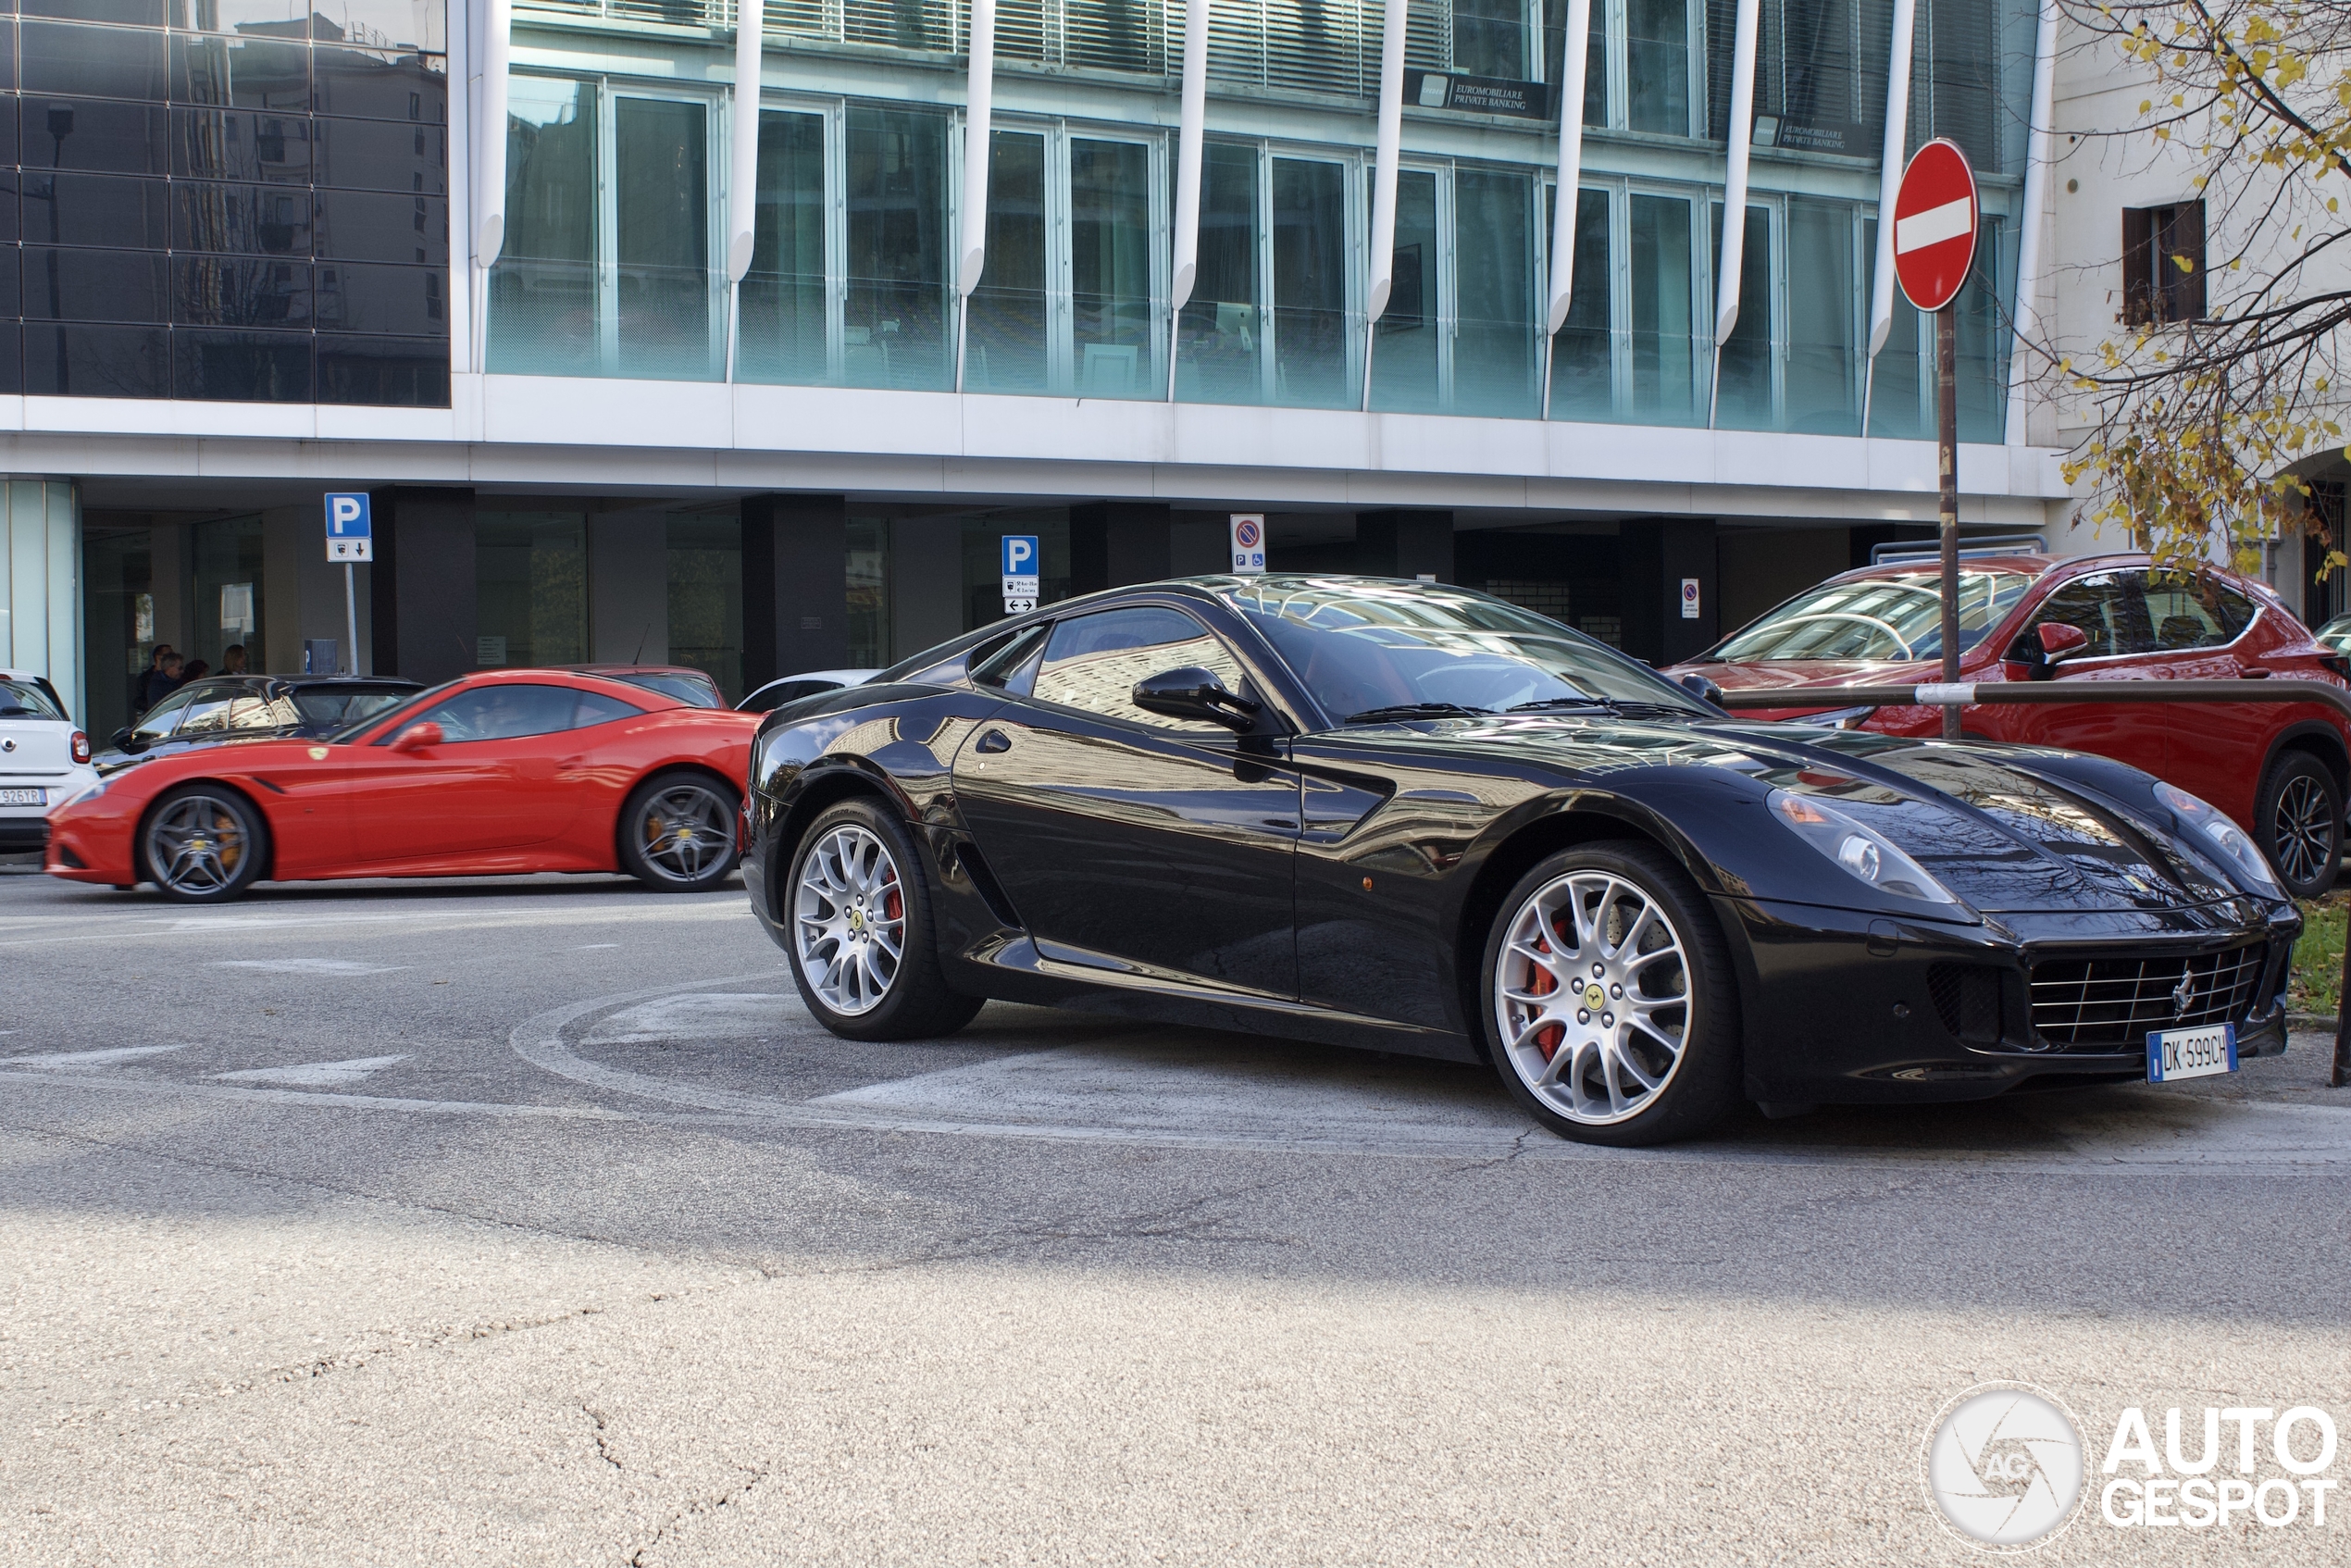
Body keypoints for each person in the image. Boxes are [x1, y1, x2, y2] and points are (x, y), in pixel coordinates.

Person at [132, 646, 177, 713]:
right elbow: (138, 701)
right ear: (158, 657)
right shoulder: (145, 677)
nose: (172, 658)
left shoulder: (176, 676)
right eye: (169, 655)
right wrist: (155, 706)